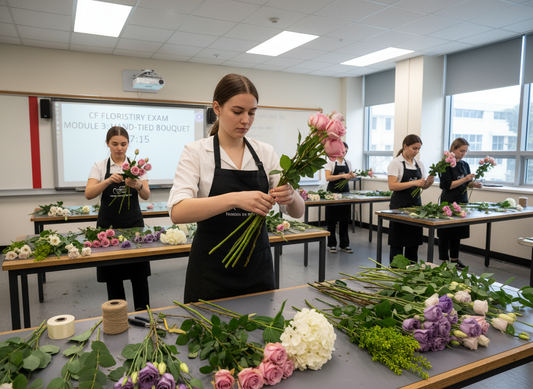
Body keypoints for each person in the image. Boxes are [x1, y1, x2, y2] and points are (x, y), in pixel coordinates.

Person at [168, 73, 305, 304]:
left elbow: (297, 212)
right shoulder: (196, 152)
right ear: (217, 108)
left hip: (256, 264)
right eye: (237, 111)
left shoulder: (265, 152)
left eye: (252, 113)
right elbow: (178, 212)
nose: (246, 120)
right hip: (211, 267)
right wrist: (234, 199)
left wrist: (291, 196)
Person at [85, 126, 151, 311]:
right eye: (114, 144)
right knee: (113, 278)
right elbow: (89, 194)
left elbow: (146, 195)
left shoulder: (136, 166)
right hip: (108, 228)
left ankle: (144, 315)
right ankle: (118, 317)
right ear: (107, 144)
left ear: (128, 144)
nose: (119, 148)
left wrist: (137, 185)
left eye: (123, 144)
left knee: (139, 277)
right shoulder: (99, 166)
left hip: (133, 226)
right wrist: (107, 181)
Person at [387, 134, 434, 263]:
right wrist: (413, 183)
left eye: (419, 149)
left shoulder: (419, 164)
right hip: (399, 207)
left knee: (413, 242)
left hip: (415, 206)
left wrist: (428, 182)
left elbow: (422, 186)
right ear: (405, 146)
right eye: (414, 148)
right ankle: (395, 271)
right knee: (397, 241)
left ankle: (411, 271)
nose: (416, 152)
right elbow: (392, 186)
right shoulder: (395, 163)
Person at [438, 137, 482, 269]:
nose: (463, 154)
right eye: (461, 151)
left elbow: (466, 183)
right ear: (453, 149)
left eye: (465, 151)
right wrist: (465, 179)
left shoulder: (464, 165)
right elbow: (447, 185)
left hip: (462, 202)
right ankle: (444, 261)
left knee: (457, 232)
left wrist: (474, 184)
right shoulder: (444, 165)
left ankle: (455, 260)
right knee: (445, 233)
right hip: (448, 201)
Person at [325, 142, 355, 253]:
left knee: (344, 219)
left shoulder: (348, 162)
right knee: (332, 219)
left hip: (345, 192)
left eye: (346, 151)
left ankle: (344, 244)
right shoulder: (330, 161)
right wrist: (343, 175)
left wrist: (351, 176)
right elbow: (328, 177)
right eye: (343, 151)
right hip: (333, 193)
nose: (344, 153)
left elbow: (349, 175)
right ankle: (332, 244)